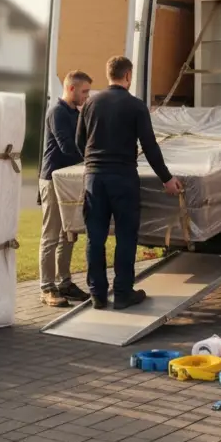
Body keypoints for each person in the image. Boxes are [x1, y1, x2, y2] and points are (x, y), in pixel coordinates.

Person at [74, 56, 182, 310]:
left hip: (94, 179)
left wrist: (93, 163)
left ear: (108, 74)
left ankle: (97, 295)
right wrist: (166, 178)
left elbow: (79, 142)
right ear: (128, 76)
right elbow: (150, 146)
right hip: (123, 178)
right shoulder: (135, 106)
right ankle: (122, 293)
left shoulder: (90, 103)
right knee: (125, 236)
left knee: (95, 237)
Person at [37, 70, 93, 307]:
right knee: (51, 236)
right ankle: (46, 288)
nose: (87, 96)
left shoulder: (75, 113)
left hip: (68, 180)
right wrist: (92, 156)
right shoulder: (58, 112)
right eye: (84, 91)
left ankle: (64, 283)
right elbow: (68, 147)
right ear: (71, 89)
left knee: (68, 234)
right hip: (52, 180)